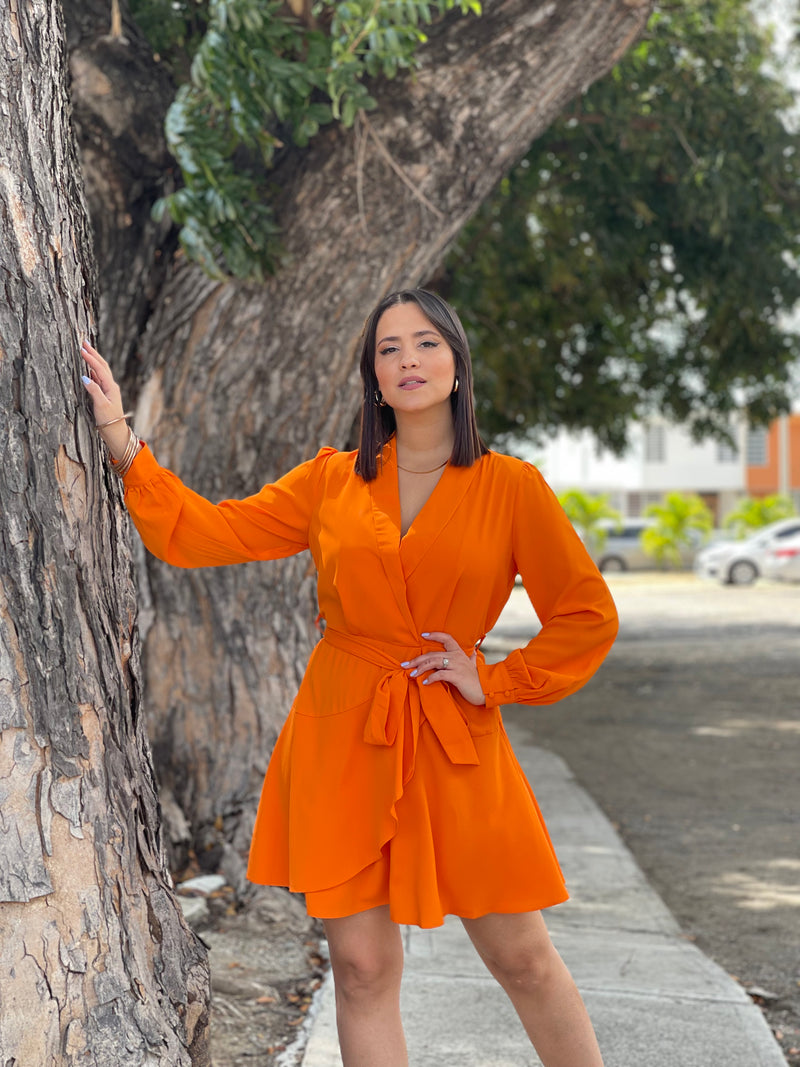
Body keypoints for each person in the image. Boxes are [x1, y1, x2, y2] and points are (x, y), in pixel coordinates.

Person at [81, 288, 618, 1067]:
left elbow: (586, 613)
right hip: (344, 731)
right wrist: (122, 439)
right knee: (364, 969)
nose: (408, 360)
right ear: (372, 374)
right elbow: (207, 533)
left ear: (459, 365)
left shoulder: (512, 487)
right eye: (389, 347)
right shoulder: (331, 481)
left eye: (427, 343)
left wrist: (495, 679)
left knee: (525, 958)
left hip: (452, 734)